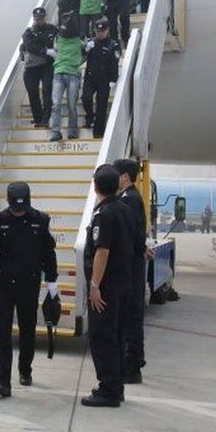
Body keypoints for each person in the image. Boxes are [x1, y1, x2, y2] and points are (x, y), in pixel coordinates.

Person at [0, 182, 57, 397]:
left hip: (29, 284)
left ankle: (25, 370)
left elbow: (48, 253)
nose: (19, 211)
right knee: (2, 332)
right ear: (7, 201)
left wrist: (52, 283)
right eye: (15, 207)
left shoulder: (40, 220)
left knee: (28, 329)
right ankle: (3, 381)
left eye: (23, 206)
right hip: (4, 285)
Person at [81, 164, 133, 407]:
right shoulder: (124, 208)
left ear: (95, 186)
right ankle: (116, 386)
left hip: (107, 287)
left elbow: (102, 251)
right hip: (123, 284)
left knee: (102, 337)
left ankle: (108, 389)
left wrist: (94, 285)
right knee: (118, 335)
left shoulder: (103, 214)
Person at [113, 159, 148, 384]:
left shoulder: (130, 200)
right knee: (130, 318)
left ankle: (132, 367)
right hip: (133, 265)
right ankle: (133, 362)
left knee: (131, 319)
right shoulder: (129, 198)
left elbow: (133, 234)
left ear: (124, 177)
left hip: (131, 269)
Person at [81, 19, 121, 138]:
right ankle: (89, 117)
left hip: (105, 79)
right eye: (97, 31)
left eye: (102, 31)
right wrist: (85, 49)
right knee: (86, 98)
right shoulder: (91, 42)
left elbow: (114, 62)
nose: (100, 33)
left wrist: (113, 79)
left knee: (101, 105)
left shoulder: (113, 44)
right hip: (90, 77)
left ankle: (98, 132)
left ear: (107, 30)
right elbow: (80, 56)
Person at [49, 11, 84, 142]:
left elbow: (55, 49)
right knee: (58, 104)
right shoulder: (78, 39)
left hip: (70, 73)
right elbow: (86, 49)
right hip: (61, 72)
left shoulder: (59, 38)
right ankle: (57, 131)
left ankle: (70, 130)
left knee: (70, 104)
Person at [20, 7, 58, 128]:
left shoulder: (52, 29)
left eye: (40, 18)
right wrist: (45, 50)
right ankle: (38, 118)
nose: (38, 21)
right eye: (36, 18)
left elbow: (59, 41)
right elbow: (30, 46)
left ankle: (46, 118)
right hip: (31, 68)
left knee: (47, 90)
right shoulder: (28, 32)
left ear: (44, 17)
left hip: (47, 65)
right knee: (32, 93)